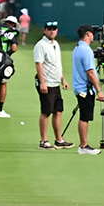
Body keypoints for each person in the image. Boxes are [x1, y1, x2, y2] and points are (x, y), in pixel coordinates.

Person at [69, 25, 102, 153]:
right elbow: (90, 72)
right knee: (85, 117)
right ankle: (84, 146)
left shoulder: (78, 48)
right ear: (88, 34)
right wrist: (99, 90)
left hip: (80, 87)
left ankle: (84, 145)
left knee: (85, 116)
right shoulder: (86, 50)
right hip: (84, 89)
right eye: (92, 33)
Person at [33, 21, 65, 149]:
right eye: (49, 29)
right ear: (44, 30)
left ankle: (59, 140)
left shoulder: (55, 44)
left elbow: (57, 63)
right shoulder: (40, 45)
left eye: (54, 29)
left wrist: (63, 79)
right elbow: (39, 64)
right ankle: (43, 141)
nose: (52, 31)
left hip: (56, 82)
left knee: (58, 111)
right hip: (47, 83)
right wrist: (43, 83)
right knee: (46, 112)